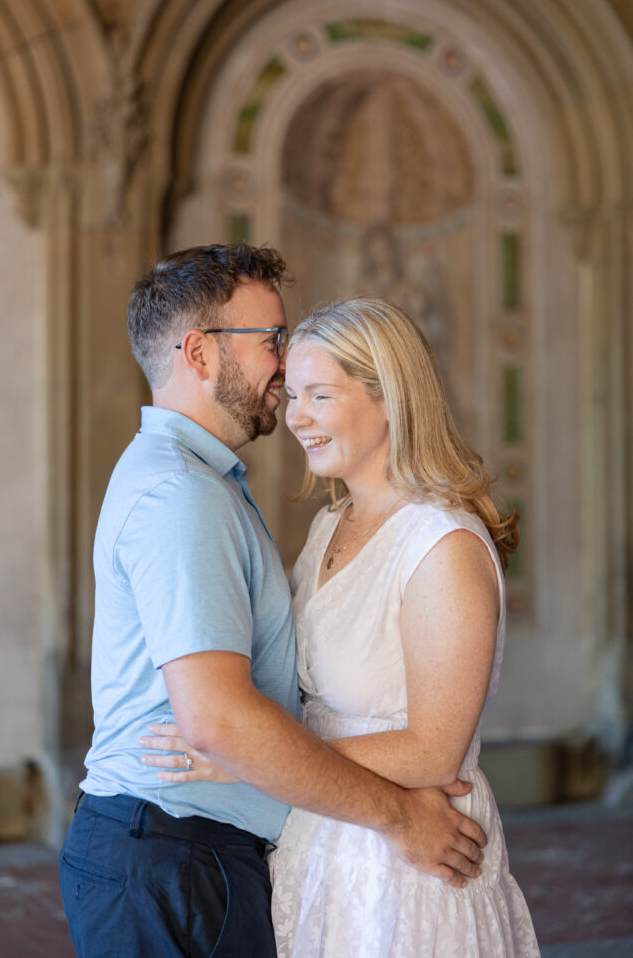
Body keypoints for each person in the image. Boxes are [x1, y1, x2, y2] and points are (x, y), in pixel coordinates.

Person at [59, 247, 488, 958]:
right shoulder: (184, 495)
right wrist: (399, 818)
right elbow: (220, 723)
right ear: (199, 353)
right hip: (175, 855)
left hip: (195, 852)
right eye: (271, 343)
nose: (284, 369)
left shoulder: (204, 483)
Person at [143, 296, 540, 957]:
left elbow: (434, 752)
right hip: (321, 838)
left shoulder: (440, 546)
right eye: (291, 393)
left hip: (410, 867)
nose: (295, 418)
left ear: (390, 399)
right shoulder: (329, 526)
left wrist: (248, 760)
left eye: (319, 395)